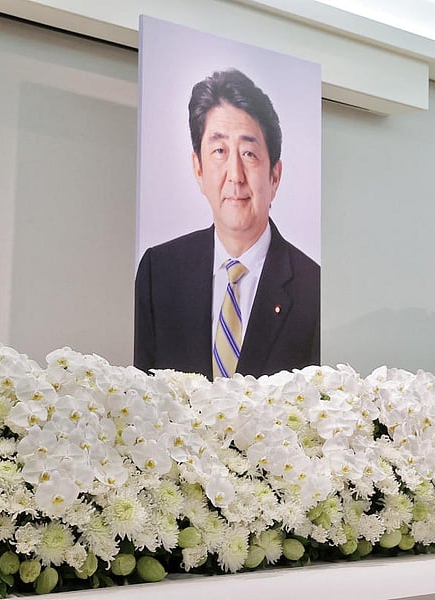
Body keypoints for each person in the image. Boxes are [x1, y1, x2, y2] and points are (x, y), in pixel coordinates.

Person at [134, 69, 320, 379]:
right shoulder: (159, 272)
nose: (235, 174)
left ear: (274, 176)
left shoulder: (312, 288)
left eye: (248, 153)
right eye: (219, 151)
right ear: (198, 168)